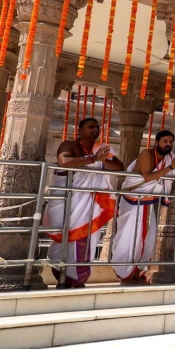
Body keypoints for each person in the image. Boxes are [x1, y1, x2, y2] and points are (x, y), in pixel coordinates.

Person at [44, 118, 124, 287]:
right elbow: (63, 161)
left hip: (89, 202)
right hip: (68, 200)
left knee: (87, 239)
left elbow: (119, 167)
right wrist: (93, 159)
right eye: (90, 127)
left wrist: (102, 160)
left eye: (97, 127)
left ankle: (77, 278)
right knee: (65, 235)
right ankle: (62, 276)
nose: (95, 130)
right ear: (79, 130)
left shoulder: (101, 149)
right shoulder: (69, 145)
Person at [112, 130, 175, 284]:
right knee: (130, 236)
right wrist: (171, 167)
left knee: (147, 238)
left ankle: (136, 272)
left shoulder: (170, 158)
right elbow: (147, 176)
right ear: (156, 142)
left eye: (171, 141)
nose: (168, 144)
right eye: (165, 141)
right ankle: (125, 274)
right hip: (133, 200)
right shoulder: (147, 154)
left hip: (148, 202)